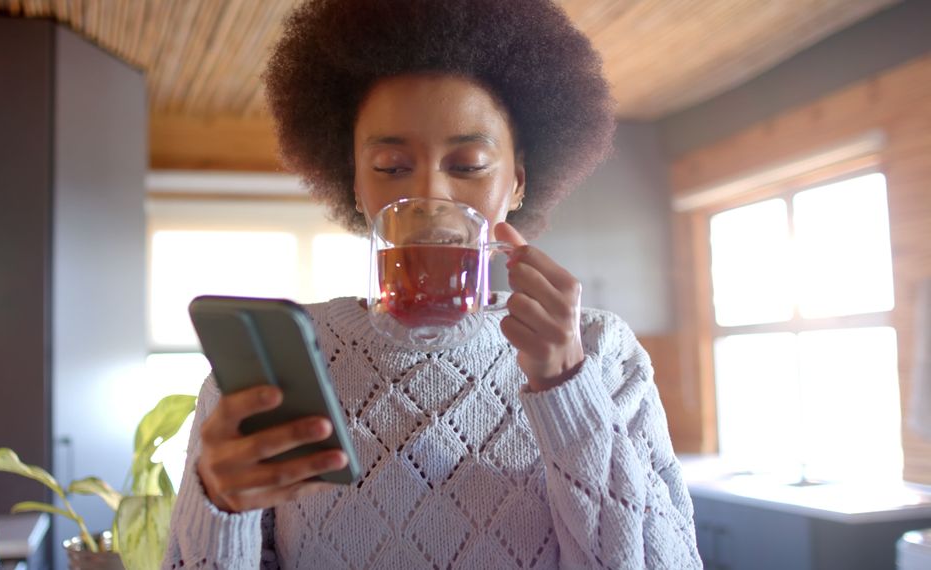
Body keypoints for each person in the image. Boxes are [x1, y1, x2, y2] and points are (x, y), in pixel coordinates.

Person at [164, 0, 701, 568]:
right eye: (391, 167)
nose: (430, 198)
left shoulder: (602, 353)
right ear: (354, 184)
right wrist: (220, 506)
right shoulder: (276, 364)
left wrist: (567, 384)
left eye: (468, 164)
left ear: (516, 183)